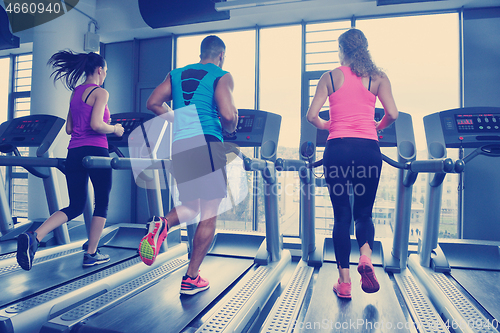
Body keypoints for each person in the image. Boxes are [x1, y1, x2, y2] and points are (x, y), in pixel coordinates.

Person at [140, 35, 238, 295]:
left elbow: (152, 103)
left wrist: (179, 119)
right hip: (208, 142)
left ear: (201, 53)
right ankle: (191, 277)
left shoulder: (176, 73)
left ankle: (162, 222)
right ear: (221, 55)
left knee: (190, 206)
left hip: (182, 145)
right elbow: (228, 116)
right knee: (208, 214)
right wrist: (230, 126)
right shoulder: (221, 75)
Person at [306, 28, 398, 299]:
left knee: (341, 216)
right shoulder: (378, 77)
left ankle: (344, 283)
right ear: (365, 49)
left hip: (338, 149)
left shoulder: (329, 77)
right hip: (369, 148)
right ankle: (366, 256)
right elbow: (392, 113)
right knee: (364, 213)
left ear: (341, 50)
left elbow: (312, 116)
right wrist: (376, 127)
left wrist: (328, 124)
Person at [16, 50, 125, 271]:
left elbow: (69, 128)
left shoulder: (76, 93)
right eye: (105, 72)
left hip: (74, 152)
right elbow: (96, 125)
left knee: (75, 205)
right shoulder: (101, 92)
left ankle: (34, 237)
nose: (105, 75)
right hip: (96, 152)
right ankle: (91, 253)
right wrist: (115, 128)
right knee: (101, 202)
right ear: (100, 70)